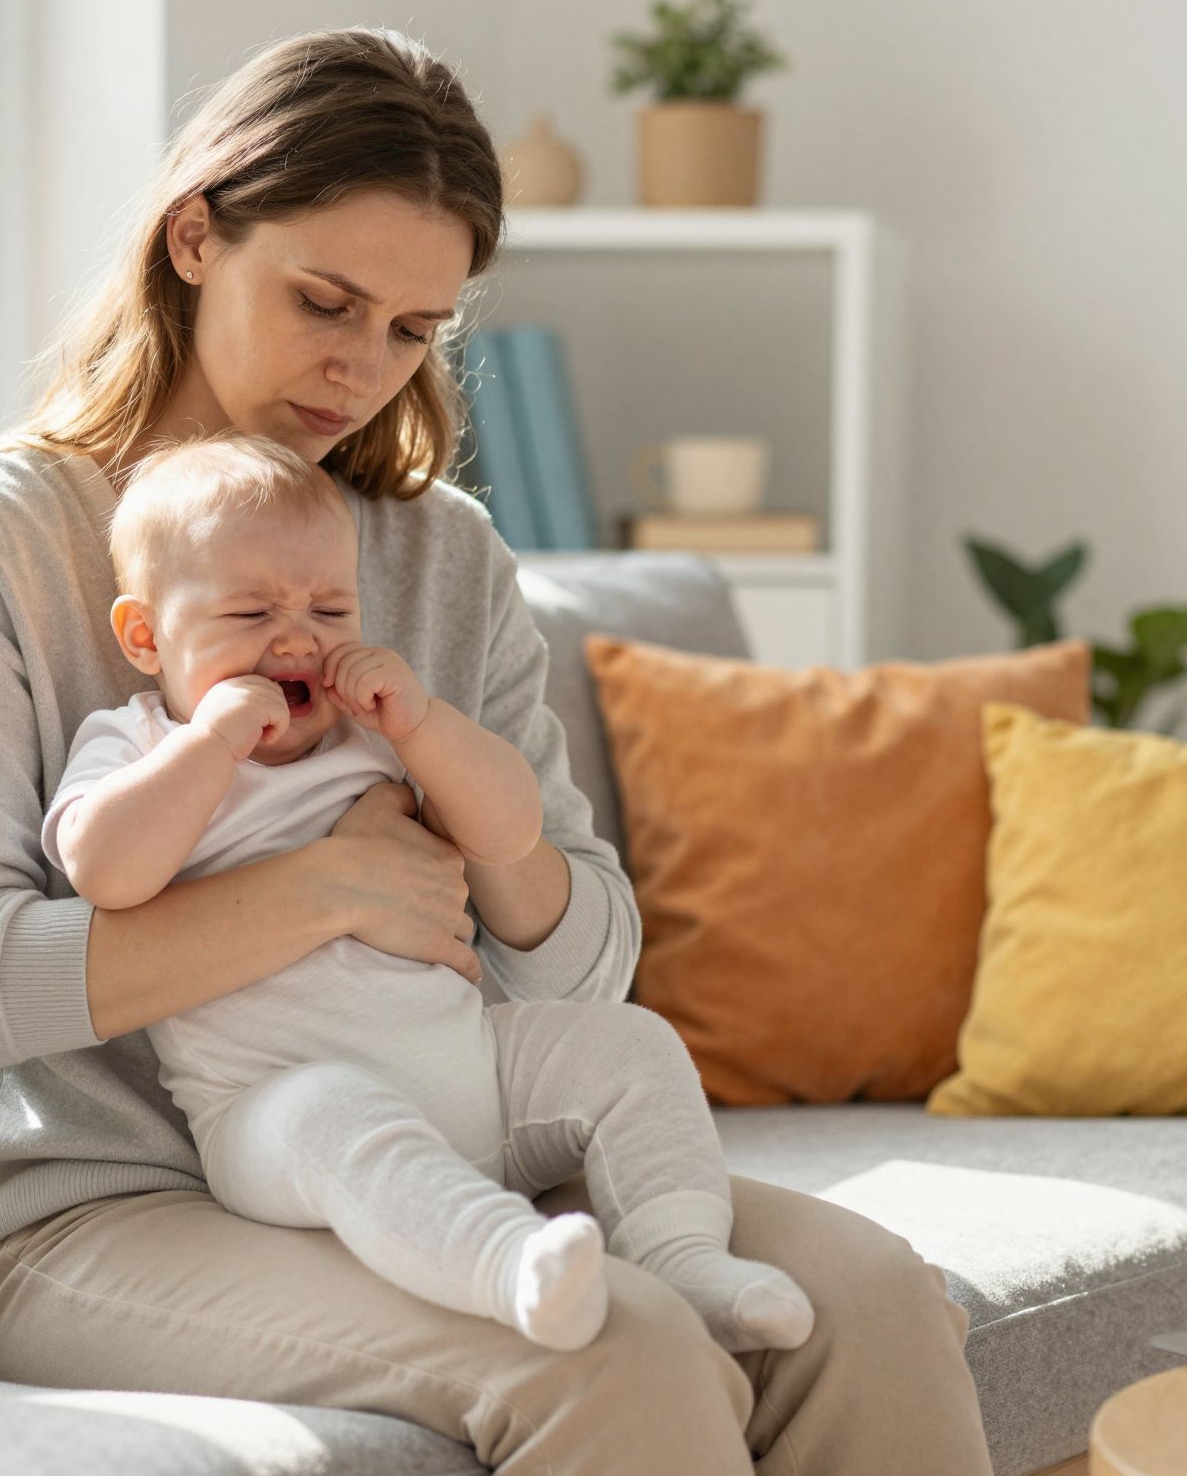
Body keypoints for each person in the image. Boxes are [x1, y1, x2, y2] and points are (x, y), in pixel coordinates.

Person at [0, 25, 994, 1474]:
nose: (359, 373)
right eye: (325, 301)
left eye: (411, 332)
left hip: (451, 1139)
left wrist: (489, 847)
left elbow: (583, 956)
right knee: (616, 1353)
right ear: (196, 236)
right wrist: (326, 892)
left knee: (875, 1297)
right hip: (107, 1209)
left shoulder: (439, 554)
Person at [43, 430, 815, 1355]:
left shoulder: (373, 737)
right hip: (272, 1109)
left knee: (631, 1044)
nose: (297, 639)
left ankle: (684, 1257)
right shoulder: (135, 746)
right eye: (249, 616)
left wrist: (424, 726)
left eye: (331, 609)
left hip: (471, 1068)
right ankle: (513, 1268)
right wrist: (208, 748)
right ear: (144, 635)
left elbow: (509, 831)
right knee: (333, 1115)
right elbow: (104, 871)